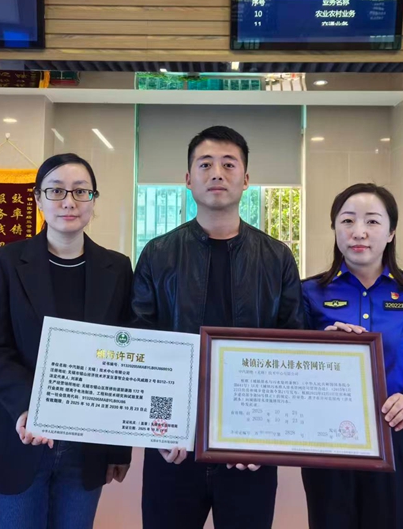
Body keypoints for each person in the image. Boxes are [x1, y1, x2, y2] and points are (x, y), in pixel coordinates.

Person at [132, 126, 303, 529]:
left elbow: (291, 347)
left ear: (246, 179)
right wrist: (159, 429)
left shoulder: (277, 257)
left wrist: (265, 436)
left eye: (229, 165)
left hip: (250, 447)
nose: (217, 174)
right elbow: (142, 346)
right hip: (174, 443)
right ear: (187, 178)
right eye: (205, 164)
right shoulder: (158, 254)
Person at [0, 153, 133, 529]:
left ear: (93, 200)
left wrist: (119, 447)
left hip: (86, 447)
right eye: (56, 191)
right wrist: (29, 408)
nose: (69, 201)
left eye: (80, 191)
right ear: (38, 199)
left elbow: (123, 357)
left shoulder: (117, 268)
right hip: (18, 435)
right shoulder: (6, 262)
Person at [301, 183, 403, 529]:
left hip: (398, 439)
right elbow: (291, 365)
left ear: (391, 232)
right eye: (347, 221)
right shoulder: (308, 293)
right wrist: (322, 345)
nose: (359, 232)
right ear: (334, 228)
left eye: (372, 221)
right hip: (328, 441)